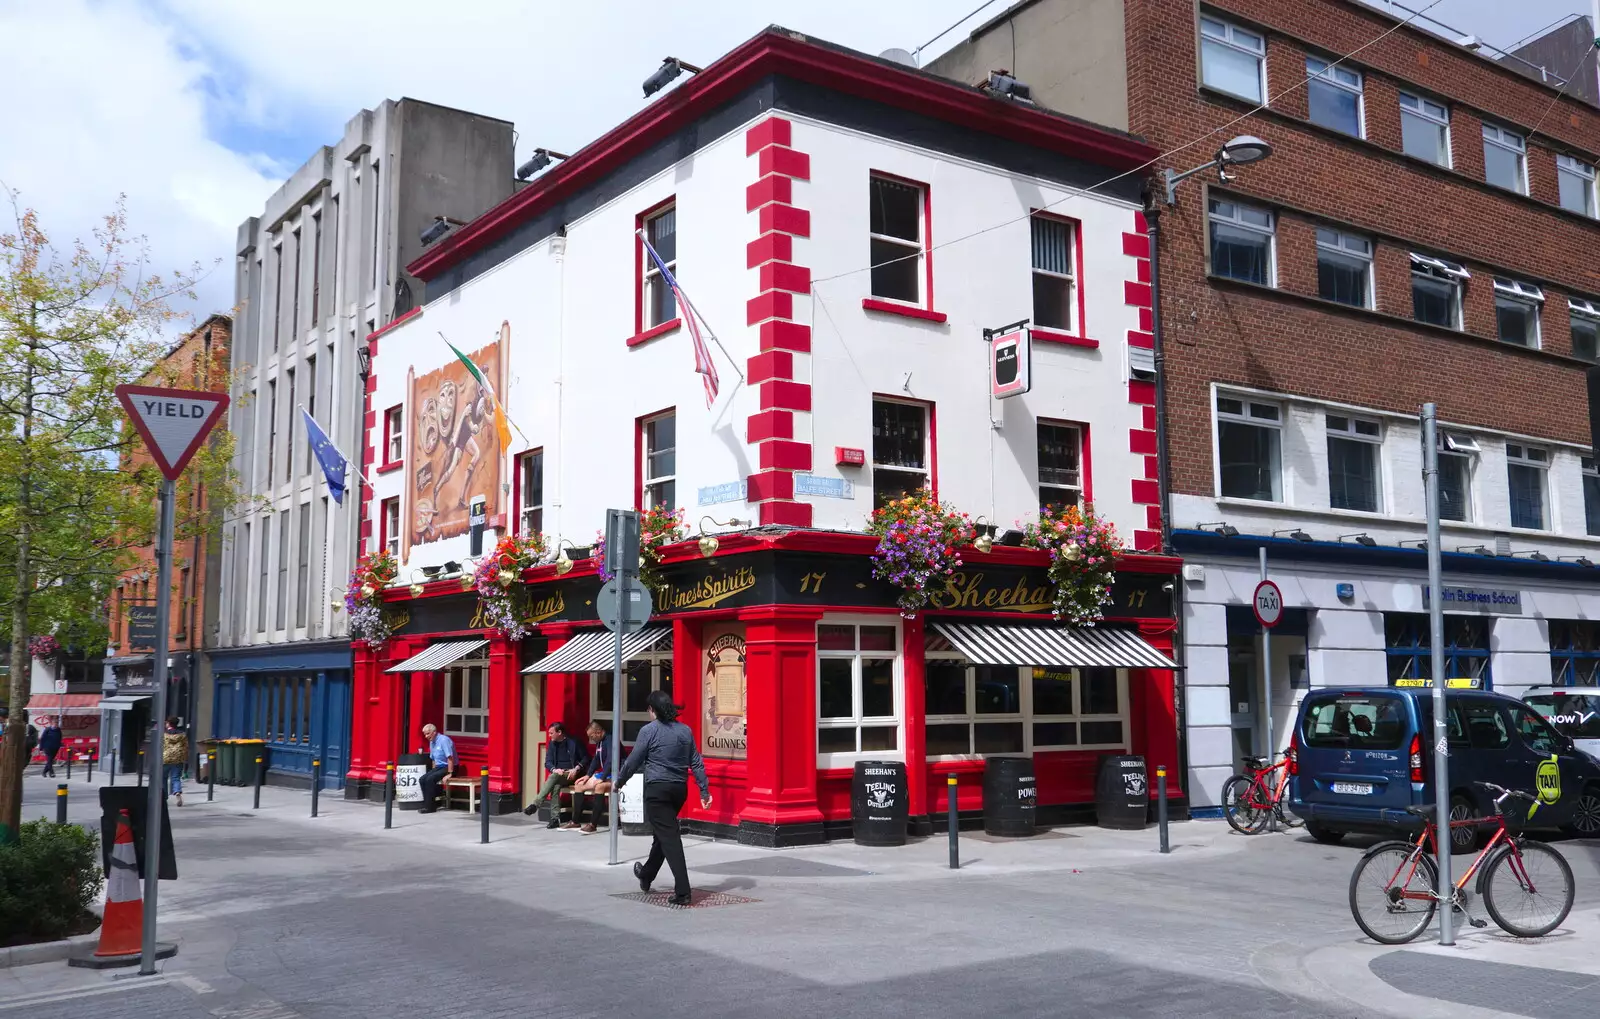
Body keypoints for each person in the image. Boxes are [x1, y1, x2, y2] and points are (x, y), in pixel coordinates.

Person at [617, 691, 711, 906]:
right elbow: (695, 762)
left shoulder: (648, 731)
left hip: (657, 790)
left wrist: (619, 782)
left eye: (648, 710)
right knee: (663, 834)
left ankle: (683, 892)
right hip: (679, 790)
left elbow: (633, 761)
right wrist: (704, 791)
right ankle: (646, 874)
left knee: (670, 838)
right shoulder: (685, 731)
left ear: (652, 710)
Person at [524, 722, 588, 828]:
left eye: (551, 733)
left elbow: (586, 758)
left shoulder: (574, 742)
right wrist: (554, 769)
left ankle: (536, 804)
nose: (549, 736)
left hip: (574, 774)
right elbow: (548, 762)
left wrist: (576, 769)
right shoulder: (552, 744)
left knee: (553, 778)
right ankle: (555, 819)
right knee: (555, 784)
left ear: (559, 732)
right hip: (560, 774)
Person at [563, 720, 614, 833]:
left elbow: (610, 760)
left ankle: (593, 824)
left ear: (599, 732)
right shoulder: (599, 742)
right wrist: (588, 775)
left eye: (592, 736)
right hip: (605, 774)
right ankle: (575, 822)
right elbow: (596, 759)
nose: (591, 739)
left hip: (616, 774)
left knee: (599, 787)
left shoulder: (610, 740)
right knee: (579, 785)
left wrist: (602, 778)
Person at [418, 723, 456, 814]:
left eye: (428, 733)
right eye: (425, 734)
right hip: (439, 767)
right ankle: (427, 803)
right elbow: (434, 759)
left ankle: (430, 807)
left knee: (430, 779)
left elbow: (450, 757)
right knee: (422, 779)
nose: (426, 736)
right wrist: (432, 771)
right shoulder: (432, 742)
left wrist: (450, 773)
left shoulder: (444, 740)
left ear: (434, 732)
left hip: (449, 766)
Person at [162, 717, 188, 806]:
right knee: (176, 778)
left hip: (165, 758)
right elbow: (185, 747)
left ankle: (163, 797)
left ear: (168, 723)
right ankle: (177, 792)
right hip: (178, 759)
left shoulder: (164, 734)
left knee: (163, 778)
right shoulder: (182, 735)